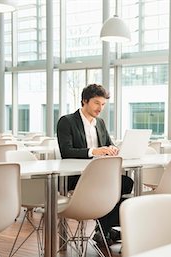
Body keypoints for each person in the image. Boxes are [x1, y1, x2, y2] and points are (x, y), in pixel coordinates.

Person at [57, 83, 133, 245]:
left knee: (127, 183)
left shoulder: (100, 123)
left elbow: (109, 144)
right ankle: (105, 229)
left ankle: (103, 229)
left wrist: (112, 149)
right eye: (97, 103)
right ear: (85, 101)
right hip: (75, 176)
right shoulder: (67, 121)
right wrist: (94, 151)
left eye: (103, 104)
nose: (100, 108)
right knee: (112, 186)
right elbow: (66, 151)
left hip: (98, 175)